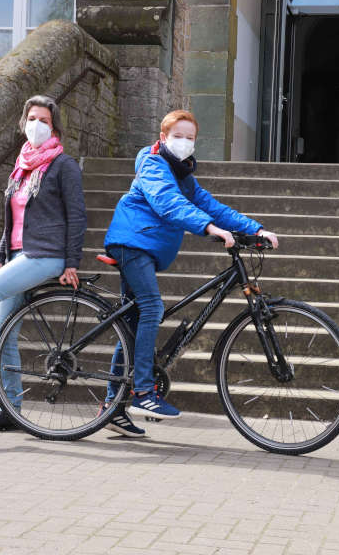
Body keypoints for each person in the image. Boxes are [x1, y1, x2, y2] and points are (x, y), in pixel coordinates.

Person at [101, 110, 279, 437]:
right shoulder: (153, 163)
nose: (184, 142)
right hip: (132, 241)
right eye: (178, 135)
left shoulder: (184, 175)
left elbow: (212, 205)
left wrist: (256, 229)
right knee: (152, 308)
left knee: (134, 322)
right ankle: (142, 393)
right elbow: (168, 203)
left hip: (146, 247)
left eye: (190, 138)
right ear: (163, 136)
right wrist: (208, 228)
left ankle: (112, 407)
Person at [0, 95, 87, 432]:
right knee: (5, 332)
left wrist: (71, 262)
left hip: (46, 255)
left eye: (44, 120)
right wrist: (0, 257)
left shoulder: (63, 165)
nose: (36, 125)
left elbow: (78, 217)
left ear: (54, 126)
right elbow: (12, 221)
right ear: (23, 123)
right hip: (18, 255)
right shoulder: (22, 165)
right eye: (32, 118)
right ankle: (10, 410)